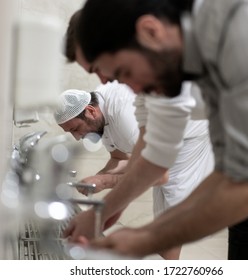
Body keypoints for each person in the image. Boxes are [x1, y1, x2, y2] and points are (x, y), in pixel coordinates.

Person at [71, 0, 248, 260]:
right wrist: (105, 211)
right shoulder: (170, 63)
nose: (127, 89)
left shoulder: (240, 31)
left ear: (150, 31)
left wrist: (143, 240)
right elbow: (156, 155)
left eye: (123, 73)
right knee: (244, 224)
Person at [56, 84, 214, 259]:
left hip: (190, 133)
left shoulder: (126, 119)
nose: (77, 137)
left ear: (91, 112)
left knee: (173, 209)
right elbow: (120, 159)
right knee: (162, 211)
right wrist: (98, 178)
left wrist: (106, 182)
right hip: (165, 133)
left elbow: (158, 175)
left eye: (75, 129)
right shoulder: (100, 115)